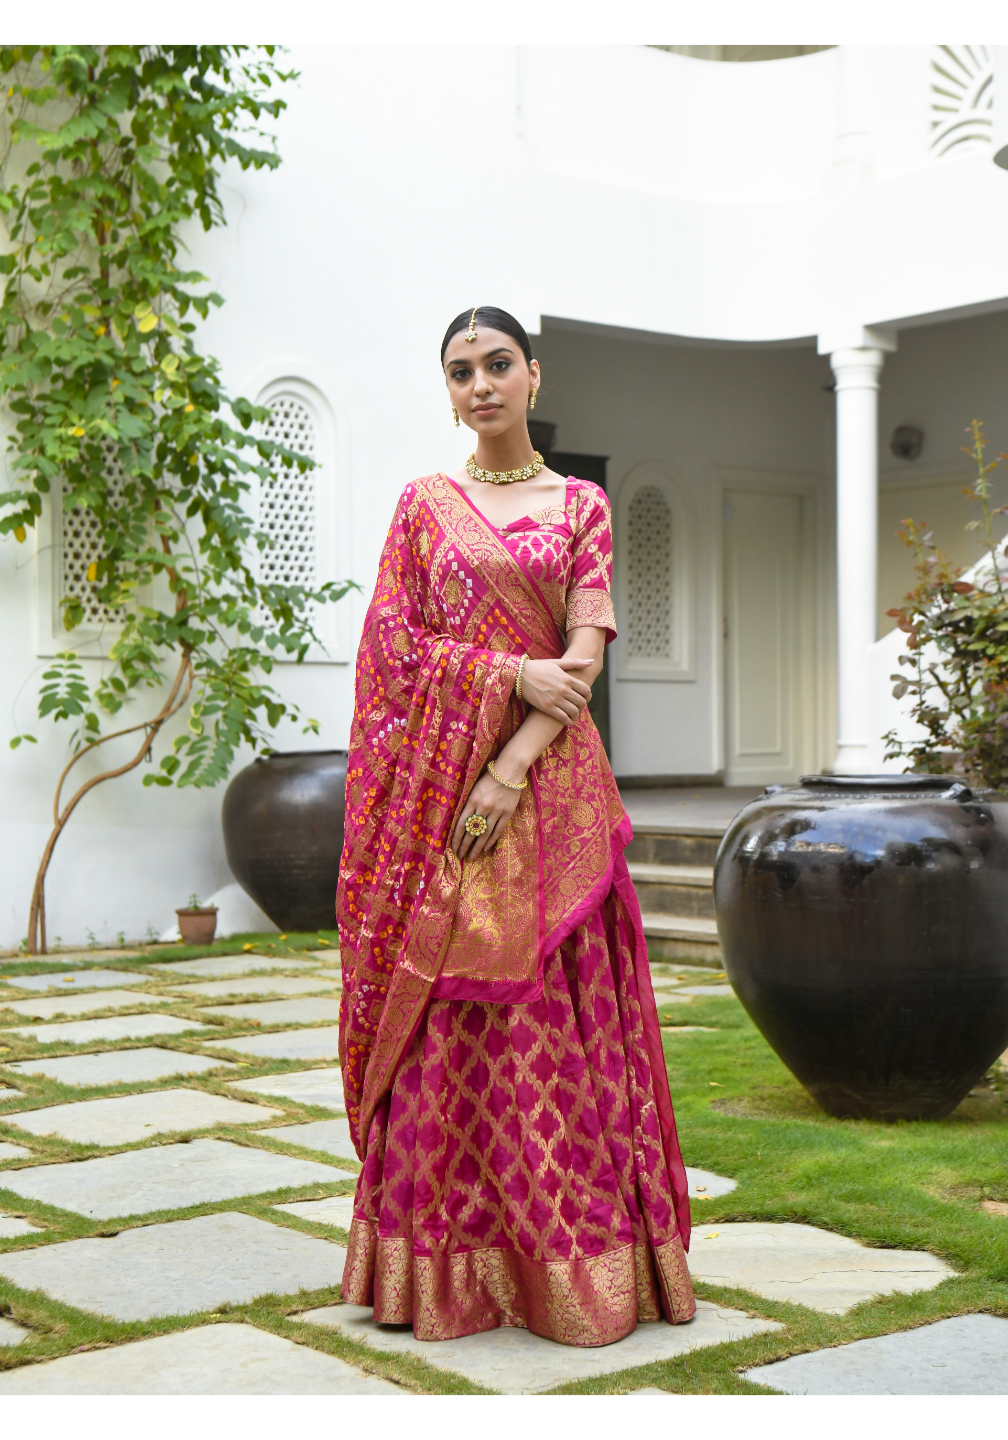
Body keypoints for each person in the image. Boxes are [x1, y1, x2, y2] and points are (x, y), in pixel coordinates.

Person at [337, 306, 694, 1345]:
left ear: (535, 375)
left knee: (560, 1025)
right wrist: (503, 672)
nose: (480, 384)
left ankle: (575, 1269)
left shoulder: (581, 504)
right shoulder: (422, 508)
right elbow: (395, 653)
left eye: (498, 364)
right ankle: (442, 1270)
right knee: (450, 1027)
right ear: (447, 392)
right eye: (460, 371)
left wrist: (505, 770)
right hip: (436, 801)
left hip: (546, 794)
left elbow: (583, 657)